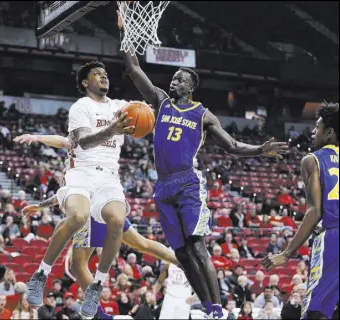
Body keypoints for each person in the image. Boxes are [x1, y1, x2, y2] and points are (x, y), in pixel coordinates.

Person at [118, 9, 288, 319]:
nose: (173, 81)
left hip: (187, 182)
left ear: (190, 86)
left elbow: (233, 146)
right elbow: (132, 67)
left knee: (197, 248)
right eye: (173, 78)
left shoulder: (203, 114)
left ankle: (219, 309)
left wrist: (260, 150)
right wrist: (126, 32)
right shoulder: (160, 101)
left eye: (179, 79)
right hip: (162, 185)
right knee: (182, 255)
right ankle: (209, 308)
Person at [22, 61, 136, 318]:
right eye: (97, 74)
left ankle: (97, 285)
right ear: (86, 82)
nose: (103, 77)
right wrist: (112, 129)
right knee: (77, 217)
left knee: (117, 219)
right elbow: (82, 142)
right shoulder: (80, 107)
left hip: (109, 176)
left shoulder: (120, 106)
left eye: (105, 74)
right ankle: (41, 273)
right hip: (82, 173)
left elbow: (146, 110)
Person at [21, 192, 178, 319]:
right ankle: (182, 261)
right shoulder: (84, 167)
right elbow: (64, 193)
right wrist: (40, 206)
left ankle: (103, 316)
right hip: (110, 202)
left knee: (78, 265)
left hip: (93, 212)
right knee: (141, 244)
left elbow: (65, 192)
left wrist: (40, 206)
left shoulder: (76, 165)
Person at [262, 102, 339, 320]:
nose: (314, 132)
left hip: (334, 237)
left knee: (317, 310)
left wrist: (286, 254)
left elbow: (314, 211)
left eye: (317, 126)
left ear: (330, 131)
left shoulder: (312, 160)